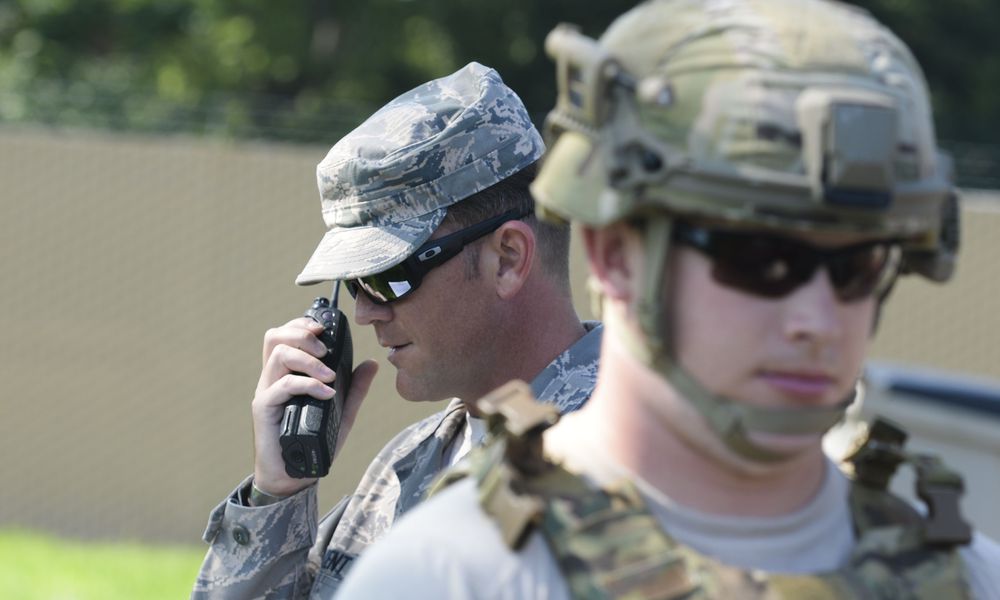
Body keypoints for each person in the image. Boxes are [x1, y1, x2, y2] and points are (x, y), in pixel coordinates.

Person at [336, 1, 1000, 598]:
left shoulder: (963, 578)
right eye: (762, 262)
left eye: (857, 266)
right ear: (616, 254)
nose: (819, 322)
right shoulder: (455, 573)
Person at [191, 62, 601, 599]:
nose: (365, 312)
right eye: (355, 284)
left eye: (387, 277)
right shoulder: (406, 465)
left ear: (507, 258)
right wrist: (278, 494)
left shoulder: (636, 459)